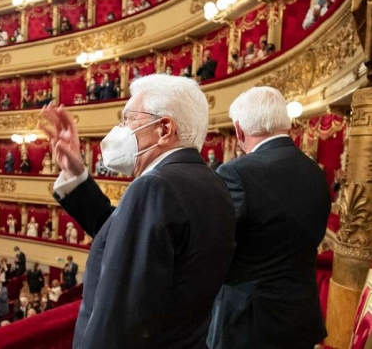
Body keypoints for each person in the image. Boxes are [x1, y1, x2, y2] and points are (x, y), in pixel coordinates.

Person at [40, 74, 236, 348]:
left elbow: (118, 319)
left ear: (164, 128)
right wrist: (77, 174)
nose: (120, 129)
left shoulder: (155, 186)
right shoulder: (213, 184)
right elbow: (129, 239)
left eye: (128, 119)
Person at [207, 87, 331, 349]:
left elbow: (212, 243)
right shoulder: (315, 172)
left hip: (247, 325)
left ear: (239, 131)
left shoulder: (236, 173)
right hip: (301, 318)